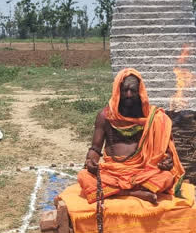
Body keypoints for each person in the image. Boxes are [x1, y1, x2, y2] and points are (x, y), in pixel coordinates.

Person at [78, 68, 183, 204]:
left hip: (143, 171)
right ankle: (135, 193)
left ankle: (118, 192)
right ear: (117, 91)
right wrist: (90, 161)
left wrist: (167, 160)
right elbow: (95, 148)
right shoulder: (105, 116)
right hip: (112, 171)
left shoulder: (153, 118)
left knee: (167, 176)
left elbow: (166, 153)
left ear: (140, 92)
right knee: (84, 176)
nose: (128, 94)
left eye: (133, 90)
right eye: (124, 90)